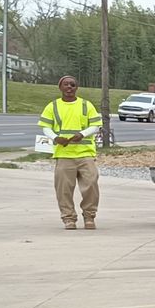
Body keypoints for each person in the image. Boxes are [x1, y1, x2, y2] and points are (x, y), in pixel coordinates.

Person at [40, 77, 102, 230]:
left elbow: (95, 125)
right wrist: (55, 138)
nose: (69, 87)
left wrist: (82, 134)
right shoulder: (53, 106)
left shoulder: (86, 105)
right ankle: (68, 218)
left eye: (72, 85)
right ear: (60, 87)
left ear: (77, 87)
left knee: (91, 184)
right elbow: (46, 127)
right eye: (66, 84)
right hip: (64, 154)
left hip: (85, 154)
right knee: (64, 189)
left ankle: (89, 216)